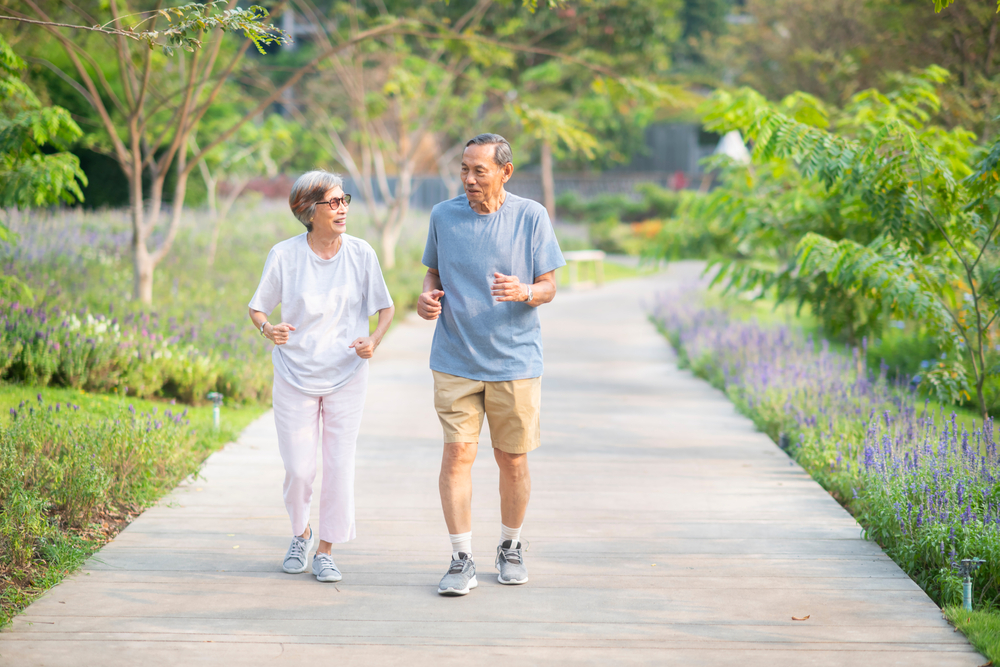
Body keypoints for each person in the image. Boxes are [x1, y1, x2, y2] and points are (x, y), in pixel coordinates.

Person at [418, 133, 565, 596]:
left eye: (479, 170)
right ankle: (461, 558)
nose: (469, 179)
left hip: (515, 360)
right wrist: (426, 299)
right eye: (464, 169)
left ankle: (510, 546)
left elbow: (549, 287)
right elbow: (433, 273)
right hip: (455, 356)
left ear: (505, 171)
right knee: (458, 454)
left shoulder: (531, 216)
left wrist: (523, 291)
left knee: (512, 459)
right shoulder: (443, 215)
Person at [248, 169, 394, 583]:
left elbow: (386, 308)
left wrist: (374, 341)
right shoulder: (284, 255)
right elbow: (258, 308)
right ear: (308, 211)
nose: (342, 208)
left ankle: (326, 550)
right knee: (298, 469)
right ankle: (302, 533)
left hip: (347, 375)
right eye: (333, 202)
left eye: (344, 199)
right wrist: (267, 329)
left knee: (338, 465)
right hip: (295, 374)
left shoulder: (362, 253)